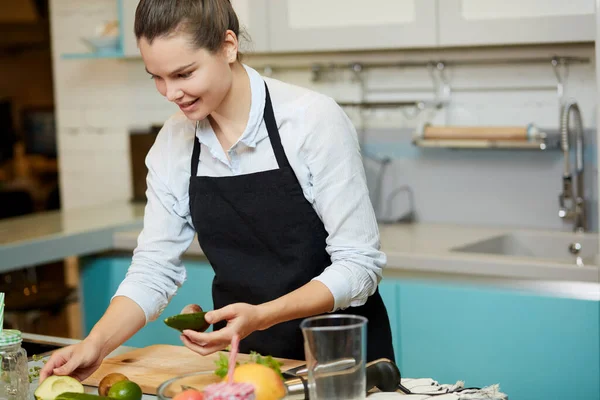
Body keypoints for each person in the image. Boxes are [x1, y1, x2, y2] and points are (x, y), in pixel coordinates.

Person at [40, 0, 395, 383]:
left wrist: (262, 315)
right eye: (156, 77)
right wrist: (96, 343)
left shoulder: (311, 120)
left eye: (184, 73)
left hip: (337, 358)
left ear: (228, 46)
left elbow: (359, 264)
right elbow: (153, 269)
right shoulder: (173, 143)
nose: (170, 92)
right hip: (244, 364)